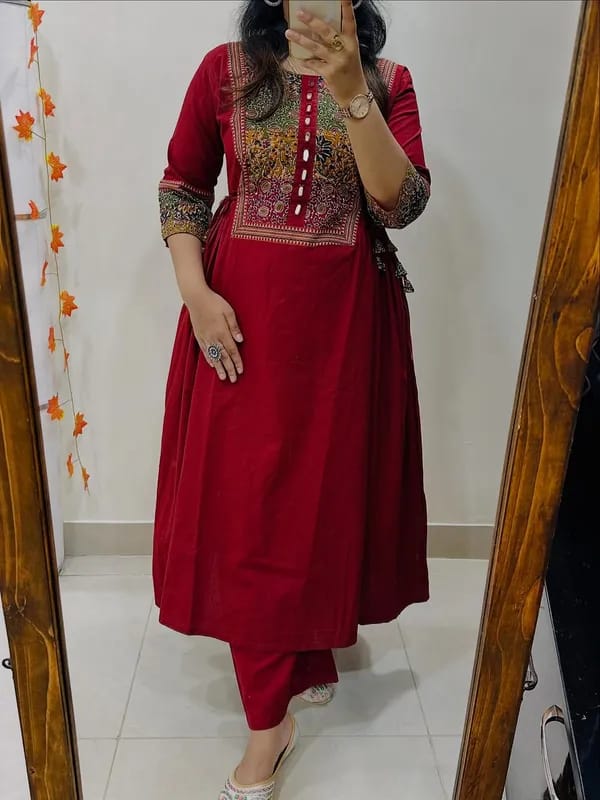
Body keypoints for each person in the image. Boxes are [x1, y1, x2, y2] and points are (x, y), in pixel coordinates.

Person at [152, 0, 431, 797]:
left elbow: (402, 205)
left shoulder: (389, 81)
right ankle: (268, 721)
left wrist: (353, 93)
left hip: (347, 327)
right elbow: (183, 186)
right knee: (248, 510)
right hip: (240, 320)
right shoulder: (226, 72)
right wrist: (196, 295)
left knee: (320, 499)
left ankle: (306, 653)